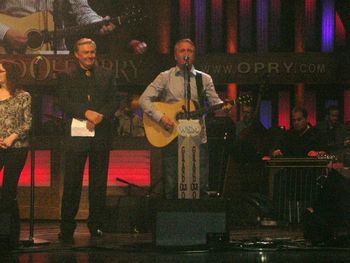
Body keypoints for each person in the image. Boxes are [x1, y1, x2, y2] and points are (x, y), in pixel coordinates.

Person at [139, 38, 231, 199]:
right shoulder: (165, 77)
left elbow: (215, 103)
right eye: (182, 51)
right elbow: (144, 100)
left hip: (197, 137)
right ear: (175, 55)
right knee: (172, 183)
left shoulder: (204, 79)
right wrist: (161, 118)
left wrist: (225, 107)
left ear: (194, 55)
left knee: (200, 182)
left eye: (190, 51)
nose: (186, 54)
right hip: (171, 136)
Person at [58, 38, 119, 243]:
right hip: (77, 136)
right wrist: (86, 112)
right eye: (86, 52)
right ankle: (66, 227)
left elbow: (114, 100)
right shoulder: (67, 75)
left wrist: (100, 116)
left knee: (98, 183)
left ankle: (96, 225)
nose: (90, 56)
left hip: (101, 135)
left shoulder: (107, 74)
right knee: (73, 182)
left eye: (93, 52)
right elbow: (63, 102)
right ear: (77, 54)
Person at [0, 0, 147, 54]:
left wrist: (99, 22)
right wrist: (6, 33)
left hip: (54, 50)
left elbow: (82, 11)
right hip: (8, 51)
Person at [0, 60, 32, 248]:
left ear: (9, 73)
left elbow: (27, 122)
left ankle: (7, 234)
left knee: (8, 190)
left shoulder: (22, 96)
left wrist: (12, 137)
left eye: (1, 71)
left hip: (17, 147)